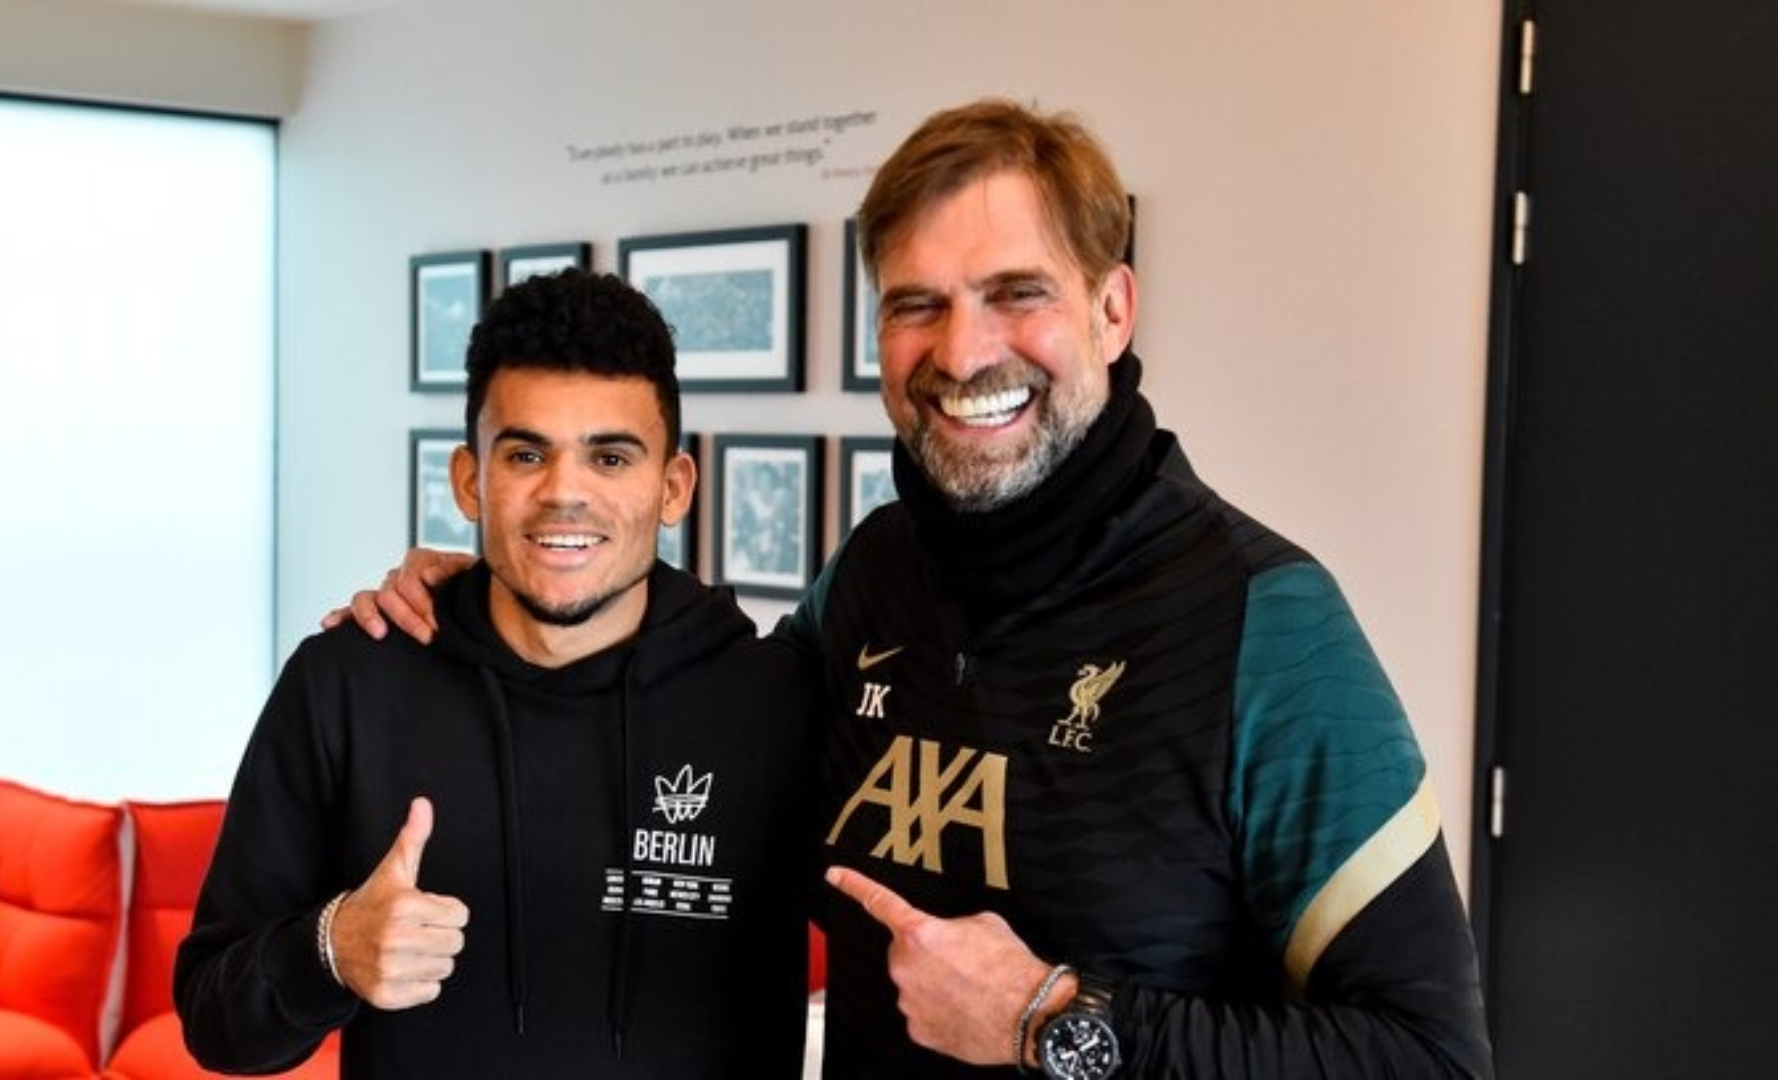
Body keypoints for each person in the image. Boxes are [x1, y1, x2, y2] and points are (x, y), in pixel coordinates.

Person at [346, 100, 1494, 1078]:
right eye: (916, 305)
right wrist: (504, 588)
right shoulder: (873, 578)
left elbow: (1429, 1056)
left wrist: (1053, 1022)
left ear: (1113, 309)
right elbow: (687, 706)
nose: (962, 350)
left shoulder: (1268, 624)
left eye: (1016, 292)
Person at [176, 268, 819, 1078]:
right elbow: (212, 1017)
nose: (564, 495)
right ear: (471, 480)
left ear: (674, 486)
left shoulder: (773, 704)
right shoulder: (350, 684)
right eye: (526, 453)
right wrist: (331, 950)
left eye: (611, 457)